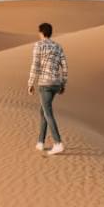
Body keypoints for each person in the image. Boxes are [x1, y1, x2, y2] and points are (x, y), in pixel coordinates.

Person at [28, 22, 68, 155]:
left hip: (45, 84)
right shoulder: (58, 46)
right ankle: (40, 142)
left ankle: (58, 143)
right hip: (56, 83)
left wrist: (30, 83)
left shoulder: (38, 45)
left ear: (41, 33)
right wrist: (63, 83)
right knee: (43, 110)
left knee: (48, 112)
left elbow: (35, 65)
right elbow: (64, 66)